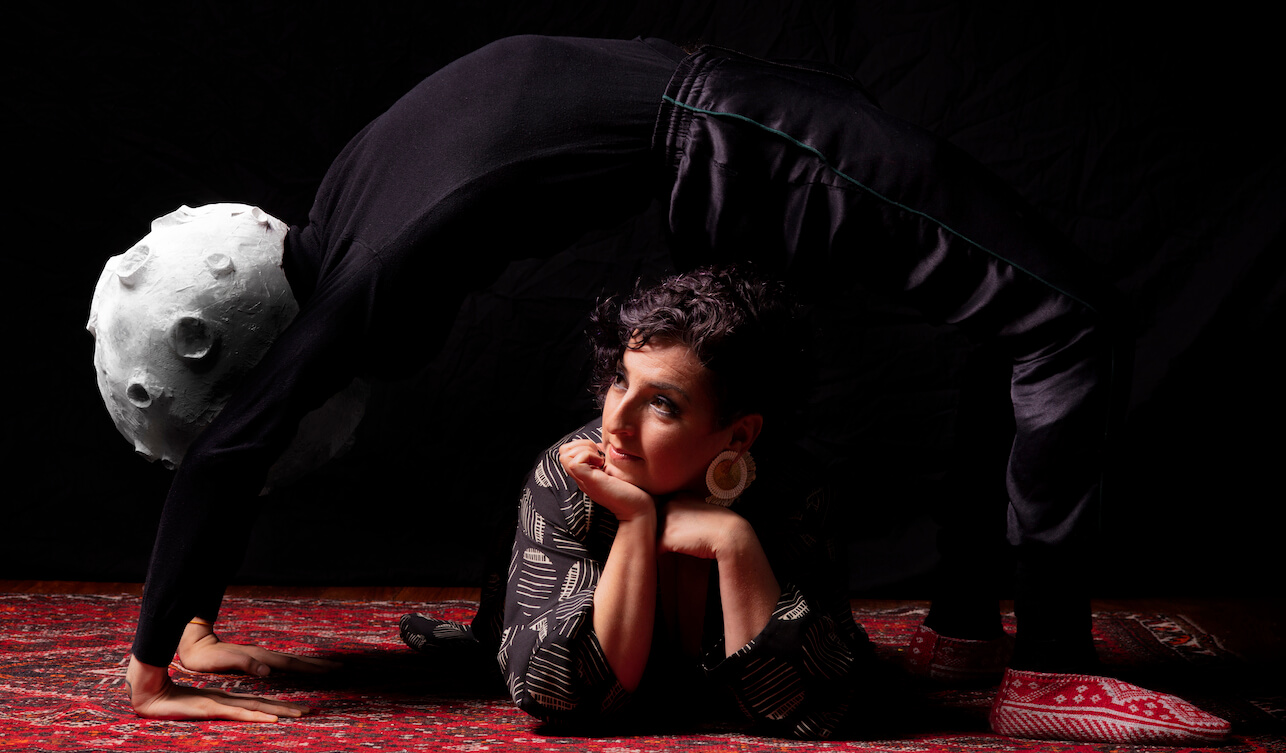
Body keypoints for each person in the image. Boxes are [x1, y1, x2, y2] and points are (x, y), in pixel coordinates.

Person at [102, 34, 1227, 744]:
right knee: (1057, 317)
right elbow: (240, 441)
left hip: (748, 135)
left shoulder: (368, 253)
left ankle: (986, 638)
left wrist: (168, 639)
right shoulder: (359, 194)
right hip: (738, 125)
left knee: (1035, 316)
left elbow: (235, 440)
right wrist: (174, 639)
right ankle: (1044, 666)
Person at [494, 265, 867, 738]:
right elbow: (555, 695)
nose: (616, 423)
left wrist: (734, 543)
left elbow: (814, 709)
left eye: (662, 404)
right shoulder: (569, 478)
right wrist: (635, 522)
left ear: (739, 434)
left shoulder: (794, 495)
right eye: (621, 380)